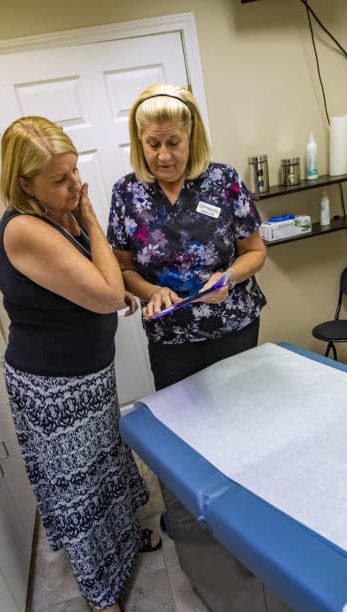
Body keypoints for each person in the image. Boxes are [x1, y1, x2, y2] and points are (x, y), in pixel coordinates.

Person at [0, 116, 160, 612]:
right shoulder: (25, 228)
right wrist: (90, 215)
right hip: (55, 392)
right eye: (60, 180)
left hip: (89, 376)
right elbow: (109, 293)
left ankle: (124, 542)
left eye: (75, 174)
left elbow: (94, 283)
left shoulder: (56, 215)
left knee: (109, 466)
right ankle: (105, 608)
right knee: (80, 493)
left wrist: (102, 278)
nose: (75, 187)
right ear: (24, 184)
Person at [107, 83, 268, 532]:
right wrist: (148, 290)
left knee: (240, 419)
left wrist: (230, 276)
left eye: (172, 143)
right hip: (171, 337)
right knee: (184, 429)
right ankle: (193, 513)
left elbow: (254, 252)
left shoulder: (223, 181)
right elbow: (121, 267)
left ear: (190, 137)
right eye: (152, 144)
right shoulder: (127, 194)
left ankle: (248, 510)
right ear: (139, 141)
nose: (163, 155)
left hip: (232, 325)